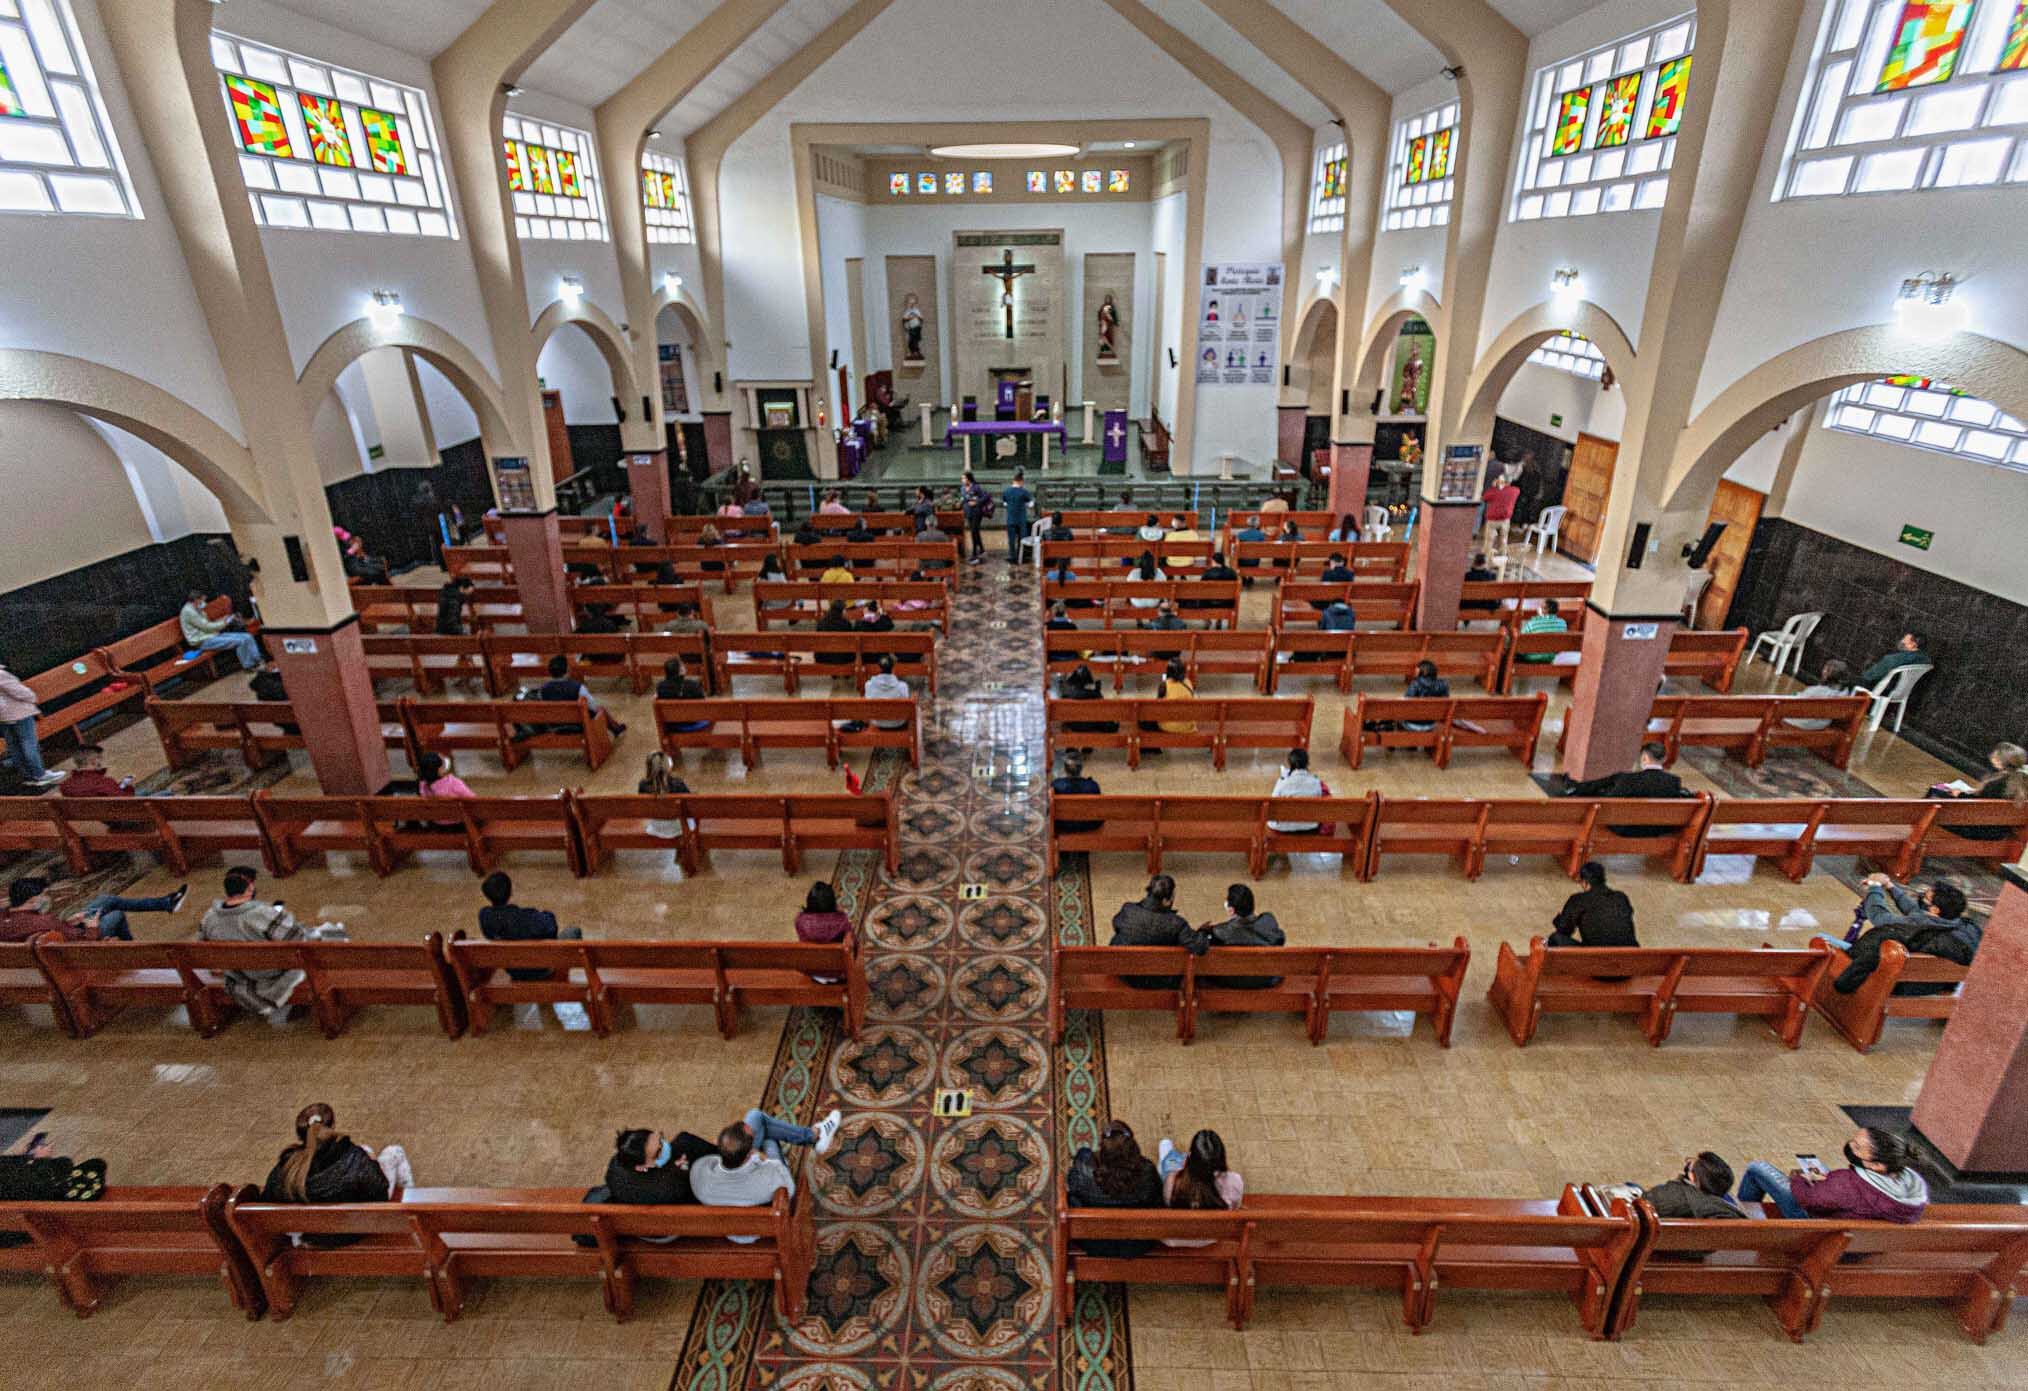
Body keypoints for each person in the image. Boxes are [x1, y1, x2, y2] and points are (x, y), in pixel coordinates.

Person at [263, 1103, 412, 1244]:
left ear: (300, 1135)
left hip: (312, 1235)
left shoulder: (289, 1164)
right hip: (353, 1232)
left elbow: (268, 1197)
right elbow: (380, 1191)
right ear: (332, 1126)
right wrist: (372, 1164)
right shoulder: (353, 1155)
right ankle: (413, 1201)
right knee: (394, 1152)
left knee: (366, 1150)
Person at [689, 1107, 842, 1240]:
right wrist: (764, 1159)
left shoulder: (700, 1173)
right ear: (750, 1154)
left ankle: (815, 1135)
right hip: (762, 1226)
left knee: (756, 1118)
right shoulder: (769, 1175)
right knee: (768, 1138)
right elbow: (789, 1189)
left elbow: (711, 1160)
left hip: (735, 1229)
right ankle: (816, 1135)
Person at [200, 867, 328, 1018]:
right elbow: (296, 938)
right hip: (271, 972)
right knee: (327, 936)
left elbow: (204, 949)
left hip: (238, 975)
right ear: (250, 888)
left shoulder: (209, 917)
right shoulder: (260, 913)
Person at [1824, 874, 1979, 996]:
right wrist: (1890, 887)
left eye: (1925, 898)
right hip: (1931, 985)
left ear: (1935, 910)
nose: (1920, 899)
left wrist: (1875, 887)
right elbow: (1916, 912)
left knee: (1822, 939)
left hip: (1891, 983)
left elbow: (1879, 916)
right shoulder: (1964, 928)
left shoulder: (1913, 929)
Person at [1735, 1127, 1929, 1223]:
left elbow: (1808, 1200)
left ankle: (1741, 1222)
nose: (1851, 1145)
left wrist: (1799, 1178)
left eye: (1857, 1147)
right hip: (1859, 1244)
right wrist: (1830, 1181)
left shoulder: (1848, 1184)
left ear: (1877, 1165)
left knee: (1757, 1168)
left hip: (1817, 1230)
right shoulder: (1913, 1187)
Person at [1065, 1120, 1165, 1256]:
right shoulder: (1148, 1171)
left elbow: (1071, 1187)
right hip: (1138, 1244)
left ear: (1102, 1151)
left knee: (1083, 1153)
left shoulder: (1084, 1169)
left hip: (1092, 1243)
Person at [2, 875, 184, 943]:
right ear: (33, 899)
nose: (46, 897)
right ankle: (130, 951)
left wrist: (69, 922)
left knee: (107, 899)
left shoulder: (5, 918)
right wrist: (92, 926)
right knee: (116, 914)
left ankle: (166, 903)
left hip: (58, 938)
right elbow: (85, 942)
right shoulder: (43, 920)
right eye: (44, 894)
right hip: (77, 947)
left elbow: (53, 931)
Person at [477, 871, 583, 981]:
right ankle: (561, 978)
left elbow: (488, 935)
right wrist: (547, 913)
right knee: (574, 931)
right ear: (510, 892)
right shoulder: (527, 916)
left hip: (514, 970)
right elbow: (552, 929)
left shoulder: (484, 916)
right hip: (542, 968)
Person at [1156, 1129, 1243, 1248]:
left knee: (1168, 1162)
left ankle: (1168, 1154)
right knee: (1170, 1158)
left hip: (1172, 1239)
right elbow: (1235, 1206)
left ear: (1191, 1156)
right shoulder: (1235, 1181)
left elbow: (1166, 1203)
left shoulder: (1173, 1180)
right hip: (1210, 1238)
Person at [1191, 884, 1285, 988]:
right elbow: (1280, 939)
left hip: (1232, 980)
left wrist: (1202, 931)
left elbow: (1199, 947)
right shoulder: (1269, 921)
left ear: (1231, 910)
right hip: (1266, 979)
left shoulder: (1220, 932)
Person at [1109, 874, 1193, 989]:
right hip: (1159, 979)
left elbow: (1116, 925)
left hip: (1125, 971)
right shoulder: (1177, 923)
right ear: (1165, 900)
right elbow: (1199, 946)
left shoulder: (1128, 909)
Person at [1929, 743, 2028, 838]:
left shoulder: (1996, 783)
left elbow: (1976, 806)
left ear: (2000, 761)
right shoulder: (2022, 782)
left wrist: (1959, 794)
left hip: (1976, 830)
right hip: (1999, 833)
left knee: (1935, 792)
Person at [605, 1126, 716, 1207]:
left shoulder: (615, 1168)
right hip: (678, 1226)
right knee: (685, 1141)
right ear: (640, 1167)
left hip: (647, 1224)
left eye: (661, 1138)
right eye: (658, 1152)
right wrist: (681, 1171)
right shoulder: (674, 1185)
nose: (665, 1146)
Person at [0, 663, 65, 788]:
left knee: (14, 746)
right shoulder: (1, 675)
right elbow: (19, 691)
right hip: (19, 713)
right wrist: (33, 697)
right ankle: (39, 774)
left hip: (3, 717)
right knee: (28, 743)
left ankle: (27, 776)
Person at [1548, 861, 1639, 947]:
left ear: (1585, 882)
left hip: (1596, 958)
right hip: (1632, 956)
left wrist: (1558, 920)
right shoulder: (1621, 897)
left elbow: (1564, 930)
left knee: (1555, 938)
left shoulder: (1578, 900)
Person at [1566, 743, 1688, 805]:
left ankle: (1577, 787)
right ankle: (1578, 787)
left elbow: (1608, 803)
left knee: (1605, 786)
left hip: (1627, 829)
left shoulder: (1628, 779)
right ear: (1664, 759)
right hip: (1658, 829)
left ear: (1644, 758)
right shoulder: (1674, 781)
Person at [532, 655, 626, 737]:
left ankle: (616, 728)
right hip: (578, 724)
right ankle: (615, 729)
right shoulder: (577, 687)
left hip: (555, 725)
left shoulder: (543, 689)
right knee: (601, 710)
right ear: (567, 670)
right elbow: (594, 706)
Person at [1640, 1152, 1743, 1220]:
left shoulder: (1669, 1197)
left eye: (1689, 1168)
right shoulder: (1728, 1211)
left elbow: (1642, 1206)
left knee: (1632, 1186)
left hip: (1657, 1247)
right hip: (1694, 1250)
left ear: (1693, 1178)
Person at [179, 590, 262, 670]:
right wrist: (225, 623)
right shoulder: (190, 612)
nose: (204, 603)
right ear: (196, 600)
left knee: (247, 636)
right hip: (203, 641)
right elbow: (207, 627)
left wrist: (222, 620)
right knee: (240, 641)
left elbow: (206, 625)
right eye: (202, 601)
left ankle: (257, 660)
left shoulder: (195, 609)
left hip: (211, 635)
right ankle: (249, 666)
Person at [637, 752, 691, 844]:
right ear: (668, 766)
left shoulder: (643, 785)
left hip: (656, 826)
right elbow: (690, 805)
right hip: (679, 826)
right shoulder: (677, 783)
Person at [1786, 659, 1856, 730]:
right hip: (1821, 725)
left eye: (1826, 670)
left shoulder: (1816, 690)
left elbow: (1795, 703)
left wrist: (1796, 695)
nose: (1823, 671)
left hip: (1801, 724)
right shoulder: (1845, 693)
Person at [1268, 748, 1324, 833]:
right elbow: (1319, 799)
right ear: (1307, 763)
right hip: (1310, 825)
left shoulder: (1283, 782)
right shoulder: (1315, 782)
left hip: (1283, 826)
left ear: (1290, 764)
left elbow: (1272, 802)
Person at [1051, 750, 1102, 834]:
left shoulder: (1056, 785)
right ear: (1081, 768)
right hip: (1088, 825)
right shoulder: (1093, 785)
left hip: (1062, 825)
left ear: (1064, 768)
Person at [1859, 630, 1928, 689]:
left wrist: (1864, 677)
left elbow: (1869, 677)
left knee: (1851, 684)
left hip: (1883, 688)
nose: (1902, 641)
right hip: (1904, 691)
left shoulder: (1895, 658)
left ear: (1913, 644)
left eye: (1904, 639)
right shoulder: (1925, 659)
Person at [60, 745, 134, 798]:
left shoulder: (66, 785)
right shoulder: (104, 782)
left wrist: (119, 786)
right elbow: (125, 800)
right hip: (113, 817)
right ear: (93, 761)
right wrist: (128, 788)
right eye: (100, 758)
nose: (101, 761)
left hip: (86, 817)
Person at [862, 654, 911, 729]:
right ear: (893, 667)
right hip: (898, 723)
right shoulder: (902, 686)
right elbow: (906, 709)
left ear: (878, 667)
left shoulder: (868, 685)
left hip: (877, 722)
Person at [1517, 598, 1568, 662]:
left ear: (1544, 610)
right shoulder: (1562, 623)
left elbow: (1520, 639)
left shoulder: (1533, 623)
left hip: (1531, 657)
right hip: (1550, 657)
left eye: (1540, 607)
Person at [1482, 469, 1520, 552]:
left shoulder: (1494, 491)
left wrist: (1493, 487)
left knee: (1489, 541)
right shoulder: (1515, 491)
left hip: (1492, 520)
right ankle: (1502, 557)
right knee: (1503, 540)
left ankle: (1486, 558)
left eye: (1500, 481)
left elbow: (1485, 497)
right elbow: (1516, 491)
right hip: (1505, 520)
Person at [1002, 470, 1033, 561]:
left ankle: (1012, 556)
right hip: (1021, 519)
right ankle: (1021, 556)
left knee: (1011, 540)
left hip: (1010, 519)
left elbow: (1005, 503)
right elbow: (1031, 503)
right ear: (1021, 481)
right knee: (1022, 538)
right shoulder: (1023, 492)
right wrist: (1025, 504)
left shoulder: (1006, 491)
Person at [961, 469, 989, 563]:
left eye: (964, 478)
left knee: (973, 531)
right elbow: (964, 499)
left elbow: (985, 497)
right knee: (975, 531)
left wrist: (976, 502)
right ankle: (981, 549)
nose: (962, 480)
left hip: (977, 512)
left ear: (968, 479)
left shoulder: (976, 487)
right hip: (968, 513)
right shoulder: (962, 488)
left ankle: (974, 553)